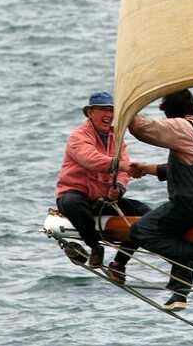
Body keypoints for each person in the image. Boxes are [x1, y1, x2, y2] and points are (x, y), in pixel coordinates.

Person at [128, 89, 193, 311]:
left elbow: (142, 129)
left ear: (171, 110)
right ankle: (180, 293)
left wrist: (127, 111)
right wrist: (146, 169)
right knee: (179, 236)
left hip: (190, 203)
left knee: (141, 232)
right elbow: (185, 166)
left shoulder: (179, 125)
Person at [55, 91, 150, 284]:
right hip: (77, 195)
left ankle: (119, 263)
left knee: (147, 215)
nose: (108, 115)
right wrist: (123, 166)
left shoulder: (117, 138)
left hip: (104, 200)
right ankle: (95, 246)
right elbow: (90, 160)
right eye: (102, 110)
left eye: (111, 110)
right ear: (89, 113)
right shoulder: (78, 136)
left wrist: (119, 189)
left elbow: (123, 174)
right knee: (72, 202)